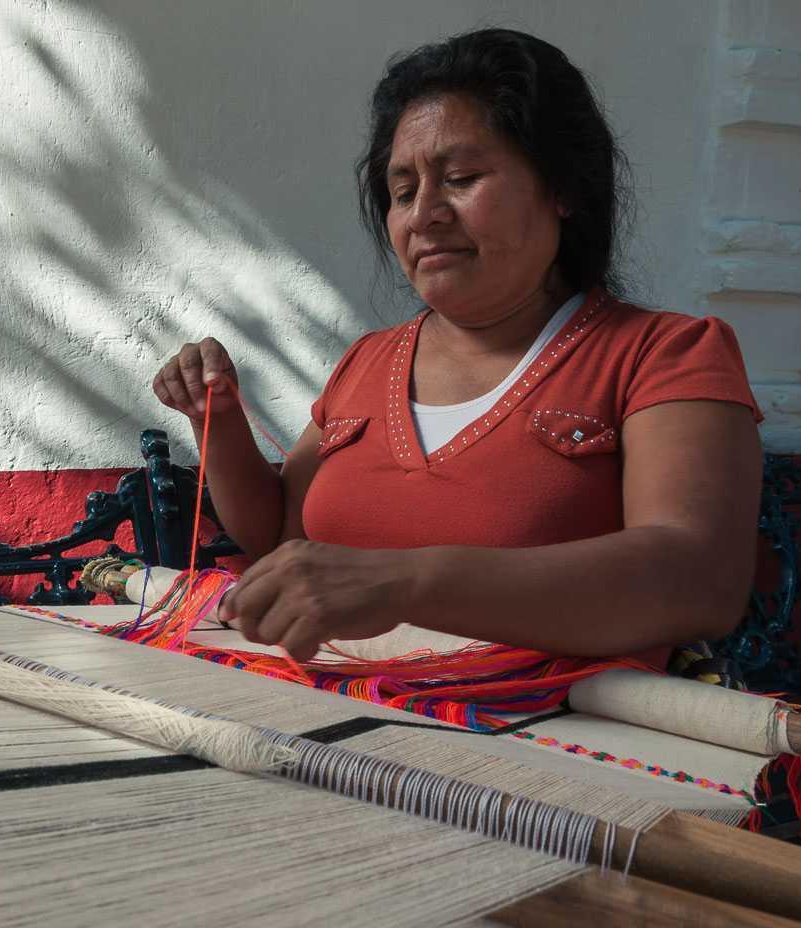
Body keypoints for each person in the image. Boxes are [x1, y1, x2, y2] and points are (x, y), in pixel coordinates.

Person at [151, 29, 763, 667]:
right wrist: (216, 421)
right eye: (404, 191)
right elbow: (282, 537)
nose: (424, 215)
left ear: (564, 189)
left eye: (462, 178)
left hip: (541, 737)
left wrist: (404, 584)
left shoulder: (663, 356)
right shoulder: (369, 362)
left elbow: (699, 580)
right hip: (339, 721)